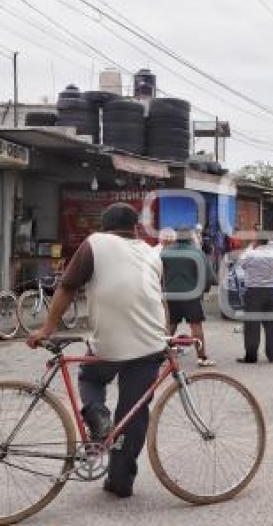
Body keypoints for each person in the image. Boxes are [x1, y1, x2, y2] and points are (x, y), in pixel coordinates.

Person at [27, 203, 168, 498]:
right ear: (135, 228)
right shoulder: (151, 252)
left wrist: (47, 329)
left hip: (108, 344)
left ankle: (98, 416)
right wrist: (165, 336)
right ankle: (120, 482)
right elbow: (158, 298)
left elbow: (67, 287)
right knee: (134, 413)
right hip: (150, 344)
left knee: (90, 377)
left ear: (104, 226)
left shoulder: (94, 243)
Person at [161, 228, 217, 367]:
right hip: (191, 295)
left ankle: (163, 355)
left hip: (171, 295)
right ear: (190, 237)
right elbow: (208, 276)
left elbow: (157, 274)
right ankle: (202, 358)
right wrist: (203, 290)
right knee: (196, 325)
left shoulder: (165, 253)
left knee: (170, 325)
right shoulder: (197, 253)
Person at [238, 239, 273, 364]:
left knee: (252, 325)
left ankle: (251, 356)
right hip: (270, 292)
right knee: (271, 325)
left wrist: (249, 248)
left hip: (254, 291)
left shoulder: (250, 254)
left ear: (256, 242)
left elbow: (241, 263)